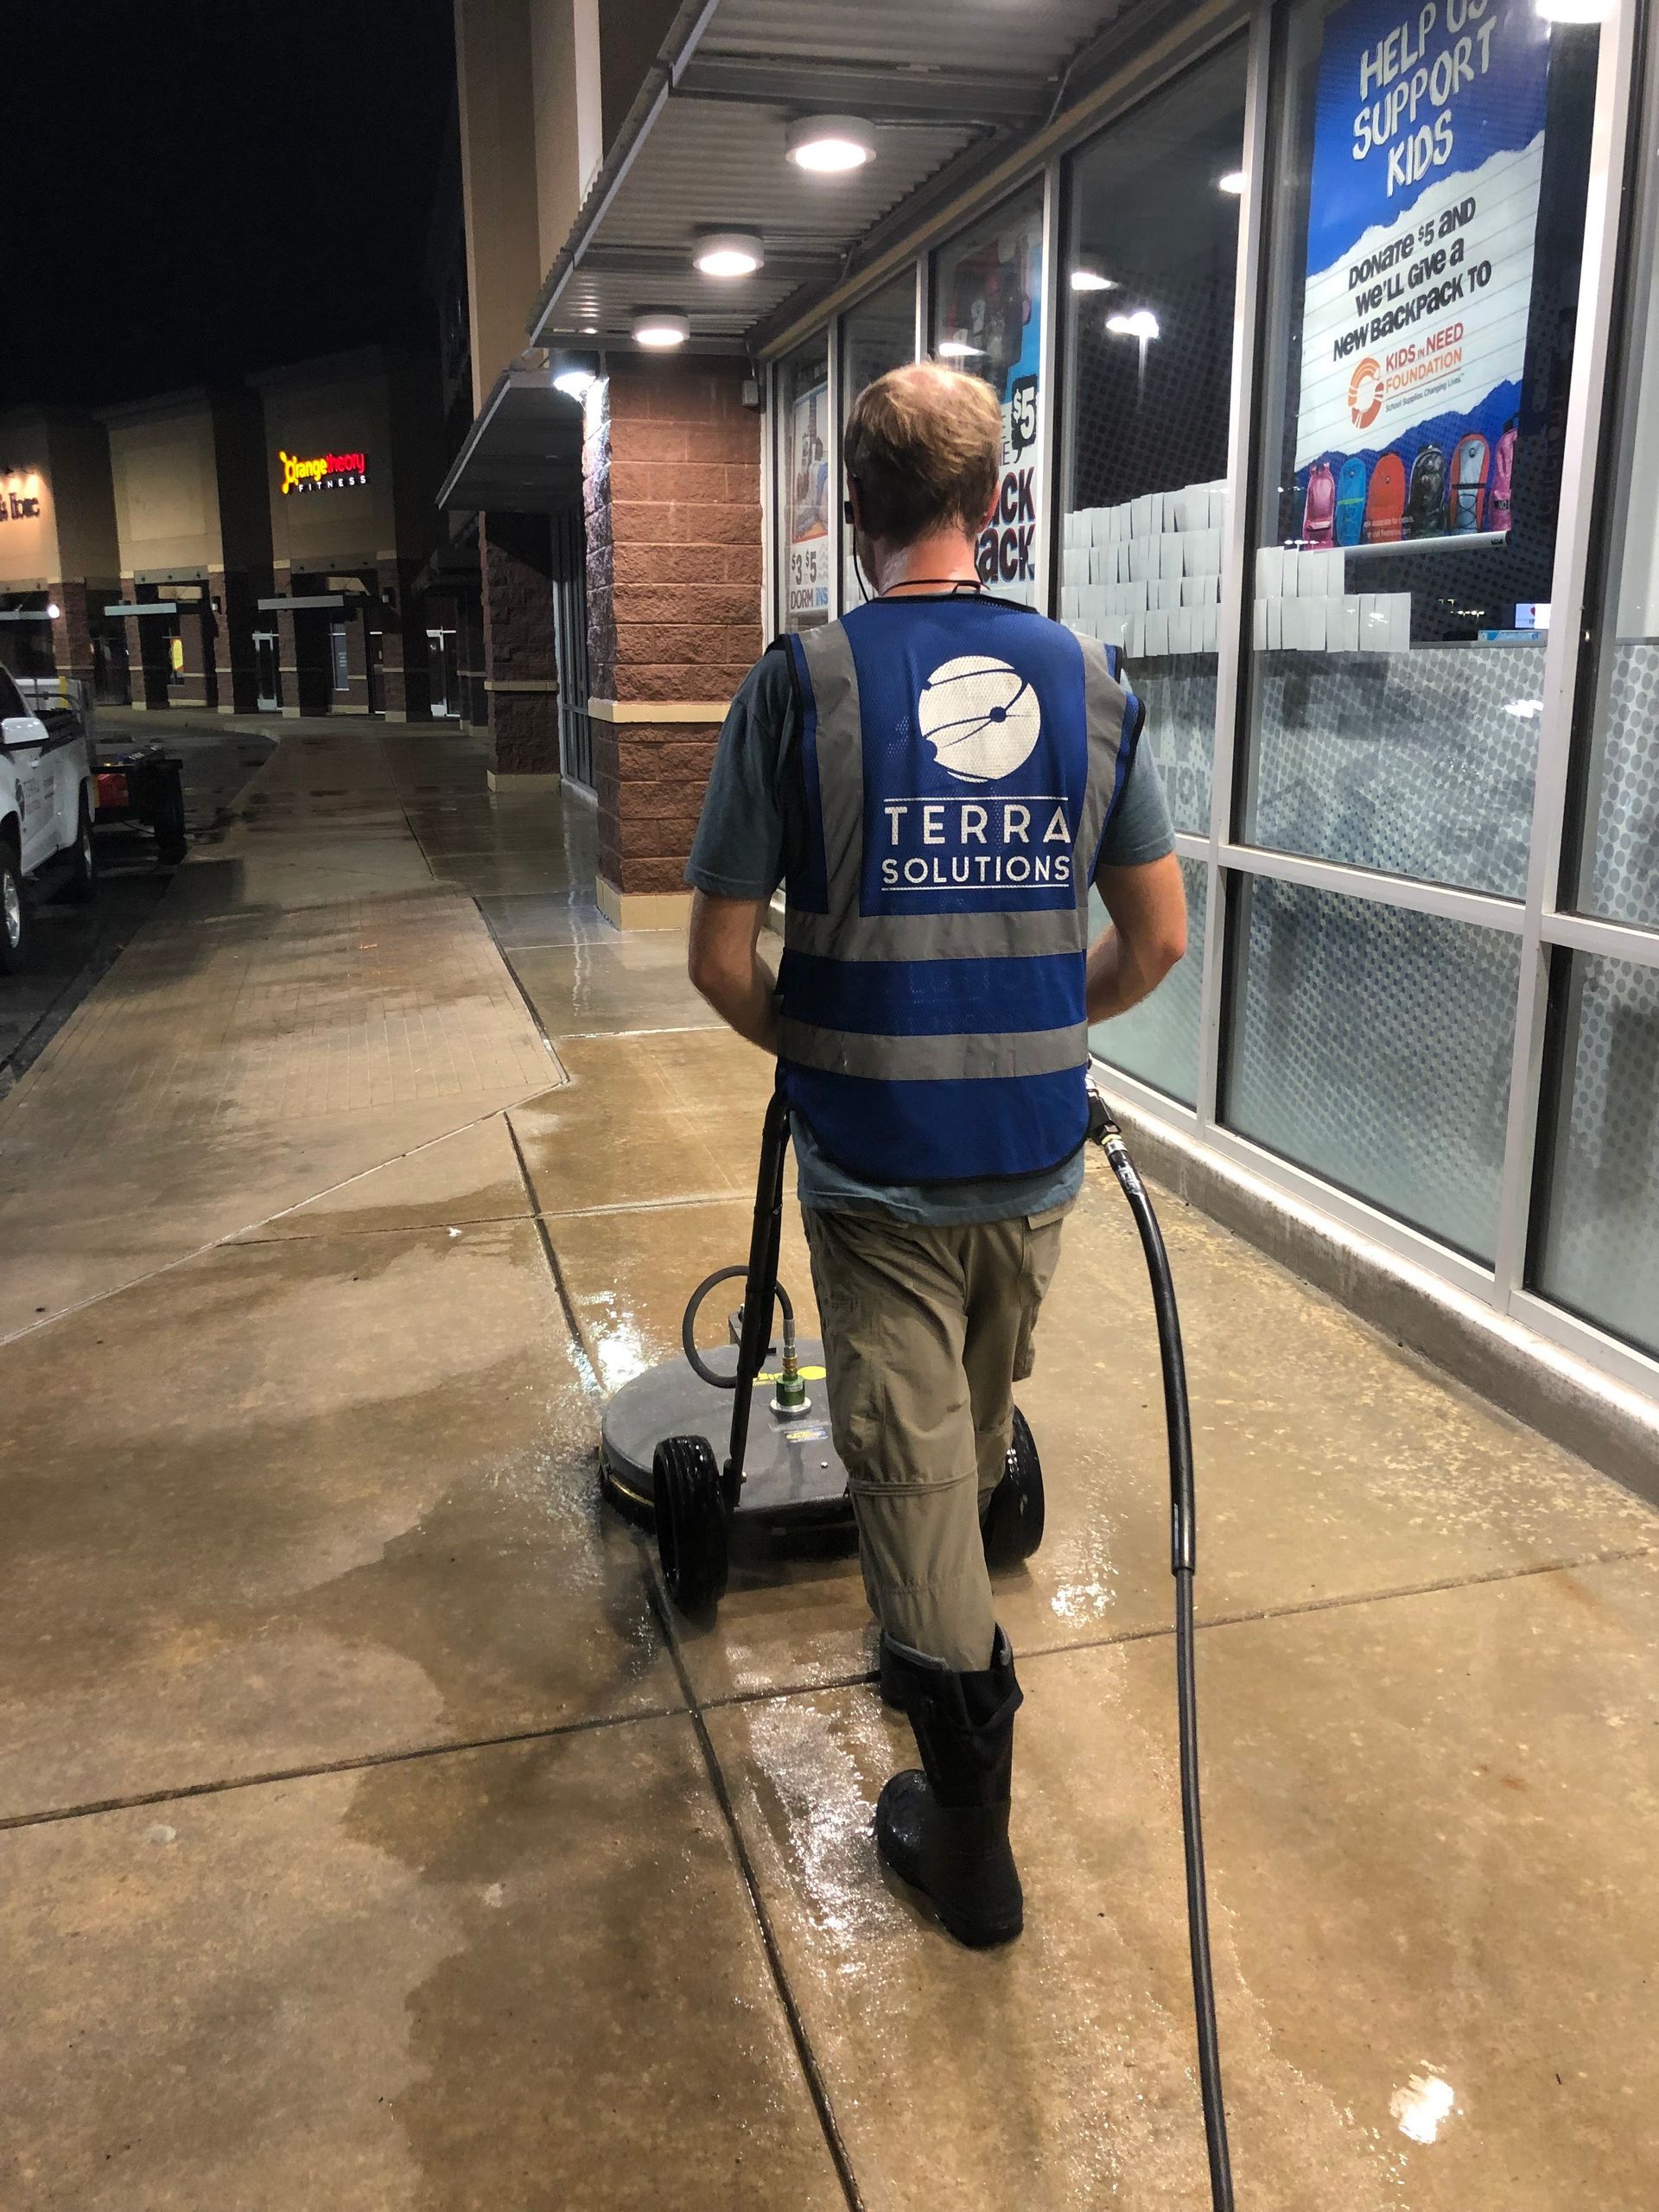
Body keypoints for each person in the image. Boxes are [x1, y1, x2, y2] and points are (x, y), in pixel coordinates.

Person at [684, 362, 1187, 1948]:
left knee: (913, 1490)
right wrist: (1032, 1029)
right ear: (991, 507)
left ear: (854, 514)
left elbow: (715, 959)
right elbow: (1157, 940)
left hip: (882, 1173)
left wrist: (837, 1045)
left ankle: (969, 1841)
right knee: (952, 1444)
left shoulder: (803, 685)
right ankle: (964, 1741)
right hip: (1035, 1168)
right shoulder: (1091, 681)